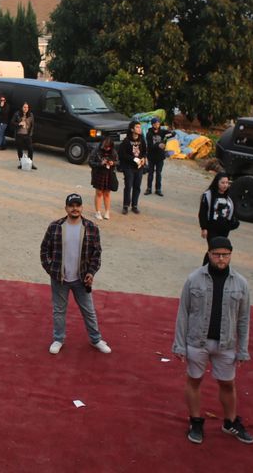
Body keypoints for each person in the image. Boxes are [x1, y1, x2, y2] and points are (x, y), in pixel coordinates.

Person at [172, 237, 253, 445]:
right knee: (194, 381)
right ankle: (195, 421)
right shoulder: (193, 279)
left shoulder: (241, 283)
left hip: (226, 345)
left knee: (228, 384)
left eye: (225, 254)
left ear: (231, 255)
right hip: (197, 342)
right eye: (216, 254)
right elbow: (183, 313)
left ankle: (230, 422)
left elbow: (244, 319)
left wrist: (243, 349)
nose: (221, 258)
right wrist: (179, 345)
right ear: (209, 254)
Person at [40, 193, 111, 355]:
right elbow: (44, 250)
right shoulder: (55, 227)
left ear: (82, 208)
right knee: (59, 311)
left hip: (82, 279)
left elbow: (96, 254)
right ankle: (58, 339)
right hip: (60, 279)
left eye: (77, 205)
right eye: (71, 206)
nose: (74, 208)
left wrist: (91, 272)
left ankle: (96, 339)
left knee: (89, 311)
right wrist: (51, 270)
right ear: (66, 208)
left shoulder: (91, 227)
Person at [199, 172, 240, 257]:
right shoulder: (208, 195)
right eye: (222, 183)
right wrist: (204, 228)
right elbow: (202, 212)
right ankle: (206, 264)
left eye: (227, 183)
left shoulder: (229, 196)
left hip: (224, 230)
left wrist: (232, 224)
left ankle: (214, 264)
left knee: (220, 251)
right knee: (213, 250)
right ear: (217, 183)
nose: (225, 185)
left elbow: (232, 211)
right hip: (212, 229)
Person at [118, 120, 147, 214]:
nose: (139, 129)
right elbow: (122, 154)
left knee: (137, 186)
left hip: (139, 167)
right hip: (128, 167)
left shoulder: (142, 139)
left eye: (140, 127)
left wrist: (143, 158)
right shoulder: (126, 141)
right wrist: (134, 159)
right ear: (132, 129)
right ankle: (126, 205)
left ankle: (135, 205)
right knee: (128, 186)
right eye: (137, 127)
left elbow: (144, 151)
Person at [88, 137, 118, 220]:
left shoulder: (113, 151)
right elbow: (90, 162)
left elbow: (118, 161)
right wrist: (100, 163)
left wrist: (113, 163)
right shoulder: (96, 150)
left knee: (107, 193)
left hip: (109, 174)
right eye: (105, 147)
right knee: (99, 193)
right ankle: (97, 212)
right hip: (98, 173)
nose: (107, 149)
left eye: (109, 147)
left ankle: (107, 212)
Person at [144, 118, 174, 196]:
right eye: (155, 124)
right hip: (151, 157)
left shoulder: (163, 132)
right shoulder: (149, 133)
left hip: (160, 157)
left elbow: (172, 134)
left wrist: (170, 133)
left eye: (158, 123)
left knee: (158, 173)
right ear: (152, 124)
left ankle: (158, 189)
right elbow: (150, 146)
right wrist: (158, 145)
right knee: (150, 173)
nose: (157, 125)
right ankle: (149, 189)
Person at [11, 102, 36, 169]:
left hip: (27, 135)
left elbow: (32, 125)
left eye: (27, 107)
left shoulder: (30, 114)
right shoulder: (17, 114)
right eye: (24, 107)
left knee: (30, 149)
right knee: (20, 150)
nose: (26, 108)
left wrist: (30, 134)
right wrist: (19, 124)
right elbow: (12, 122)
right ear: (22, 108)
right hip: (19, 135)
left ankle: (30, 163)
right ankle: (21, 163)